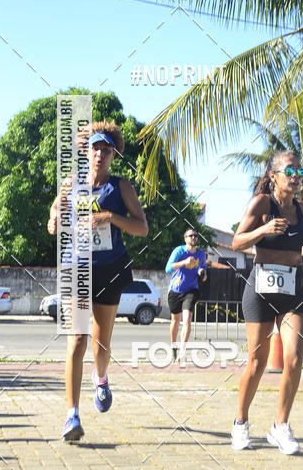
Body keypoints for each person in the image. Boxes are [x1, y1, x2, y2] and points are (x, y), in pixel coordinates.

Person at [48, 122, 148, 442]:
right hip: (76, 267)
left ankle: (101, 377)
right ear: (86, 152)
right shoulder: (72, 183)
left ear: (114, 155)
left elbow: (142, 228)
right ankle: (72, 415)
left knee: (101, 344)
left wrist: (110, 217)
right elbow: (55, 212)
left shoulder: (121, 187)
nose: (100, 154)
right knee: (77, 339)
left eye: (106, 150)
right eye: (95, 148)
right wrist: (54, 219)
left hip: (109, 268)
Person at [230, 150, 303, 454]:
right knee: (257, 362)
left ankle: (280, 426)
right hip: (261, 288)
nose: (296, 177)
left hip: (292, 288)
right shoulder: (262, 204)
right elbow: (237, 242)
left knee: (294, 359)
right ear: (273, 176)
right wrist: (264, 229)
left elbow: (296, 246)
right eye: (290, 172)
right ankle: (240, 423)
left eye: (300, 172)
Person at [165, 229, 207, 360]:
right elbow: (168, 268)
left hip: (191, 290)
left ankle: (182, 352)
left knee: (187, 319)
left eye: (195, 235)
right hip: (175, 290)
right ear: (185, 238)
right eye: (191, 236)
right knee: (175, 320)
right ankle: (173, 347)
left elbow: (203, 270)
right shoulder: (179, 251)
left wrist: (202, 273)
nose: (193, 237)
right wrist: (184, 262)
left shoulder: (201, 254)